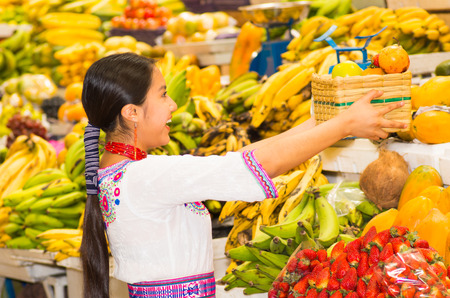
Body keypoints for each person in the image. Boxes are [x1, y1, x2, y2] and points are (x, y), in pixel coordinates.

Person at [80, 52, 407, 298]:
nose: (173, 106)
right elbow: (255, 167)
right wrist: (344, 125)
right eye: (163, 94)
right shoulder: (147, 176)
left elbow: (239, 159)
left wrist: (324, 121)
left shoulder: (125, 172)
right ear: (131, 112)